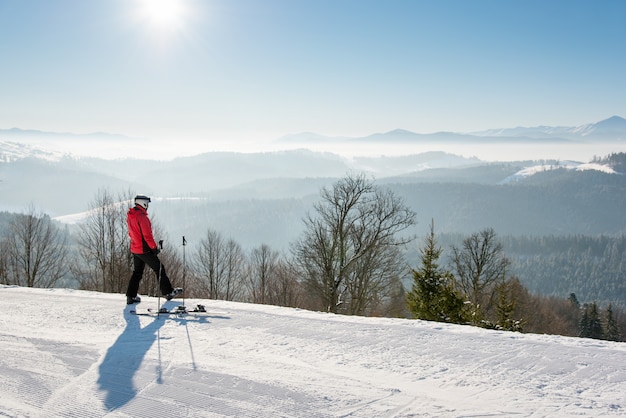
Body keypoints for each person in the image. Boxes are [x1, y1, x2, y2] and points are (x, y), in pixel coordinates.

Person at [125, 195, 182, 305]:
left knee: (137, 272)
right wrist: (154, 248)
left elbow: (131, 233)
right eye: (147, 203)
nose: (148, 206)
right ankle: (168, 292)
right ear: (143, 203)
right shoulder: (142, 217)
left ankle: (130, 296)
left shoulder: (131, 215)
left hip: (135, 248)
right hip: (144, 249)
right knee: (159, 269)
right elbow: (147, 235)